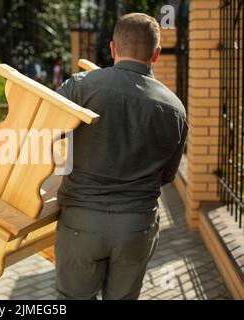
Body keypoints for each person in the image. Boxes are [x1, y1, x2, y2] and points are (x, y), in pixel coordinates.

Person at [55, 13, 188, 300]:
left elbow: (42, 137)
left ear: (113, 48)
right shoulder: (175, 109)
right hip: (136, 227)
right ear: (156, 54)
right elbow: (167, 176)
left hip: (81, 221)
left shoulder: (80, 86)